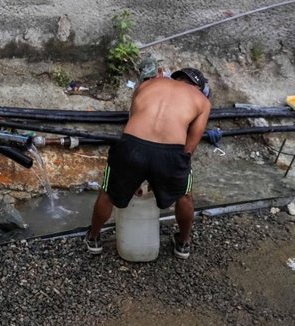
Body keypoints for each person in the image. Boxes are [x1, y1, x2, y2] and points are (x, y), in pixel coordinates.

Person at [85, 68, 211, 259]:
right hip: (171, 153)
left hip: (131, 146)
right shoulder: (202, 101)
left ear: (176, 78)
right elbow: (189, 147)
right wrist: (161, 176)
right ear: (198, 87)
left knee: (108, 192)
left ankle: (93, 238)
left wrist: (137, 176)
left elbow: (133, 120)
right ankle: (183, 243)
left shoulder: (147, 84)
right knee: (184, 196)